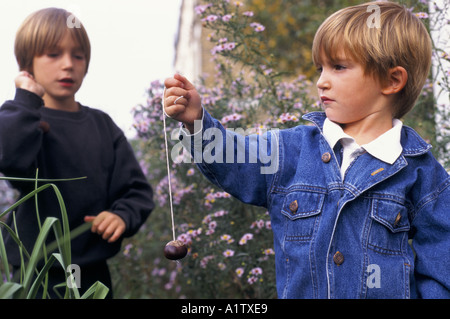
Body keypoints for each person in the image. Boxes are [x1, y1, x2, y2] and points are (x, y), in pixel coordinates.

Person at [163, 1, 450, 298]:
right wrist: (197, 122)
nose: (321, 81)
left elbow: (442, 269)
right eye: (320, 68)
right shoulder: (293, 150)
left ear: (392, 80)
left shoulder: (421, 173)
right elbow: (235, 160)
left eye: (338, 67)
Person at [0, 8, 154, 298]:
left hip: (93, 276)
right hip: (35, 275)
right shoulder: (21, 118)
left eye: (78, 55)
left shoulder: (102, 126)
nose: (68, 65)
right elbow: (12, 160)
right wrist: (26, 98)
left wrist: (121, 216)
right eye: (53, 54)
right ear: (26, 63)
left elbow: (138, 191)